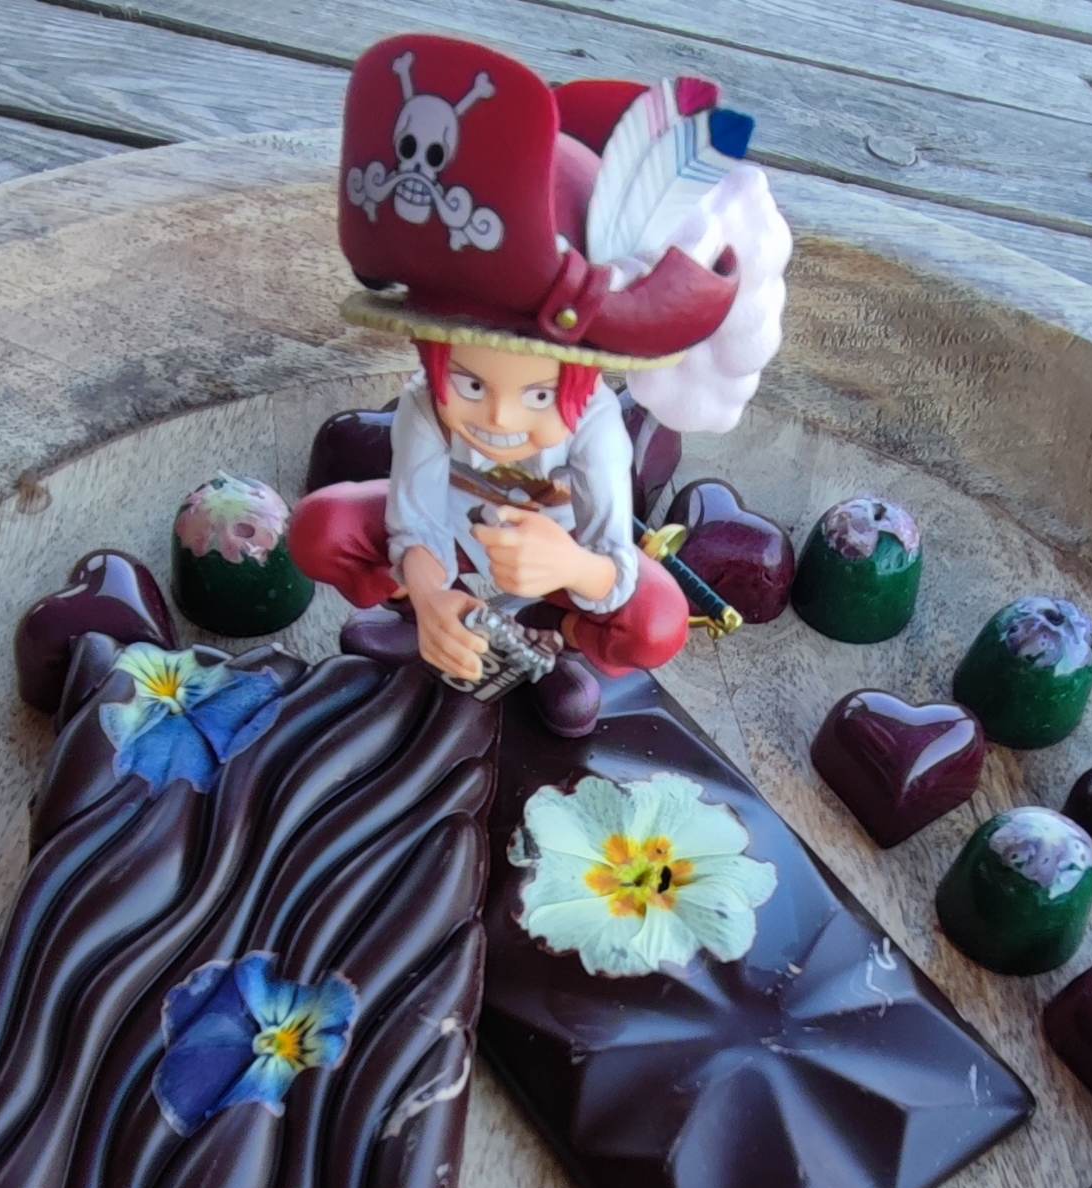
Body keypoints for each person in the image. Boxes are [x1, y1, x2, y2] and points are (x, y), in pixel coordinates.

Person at [289, 34, 791, 737]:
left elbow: (613, 560)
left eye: (537, 396)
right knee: (322, 528)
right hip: (449, 551)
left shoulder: (596, 431)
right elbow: (413, 519)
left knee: (659, 620)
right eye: (469, 383)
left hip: (560, 567)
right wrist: (430, 597)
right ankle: (431, 627)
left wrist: (571, 567)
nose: (498, 417)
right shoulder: (426, 408)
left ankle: (556, 648)